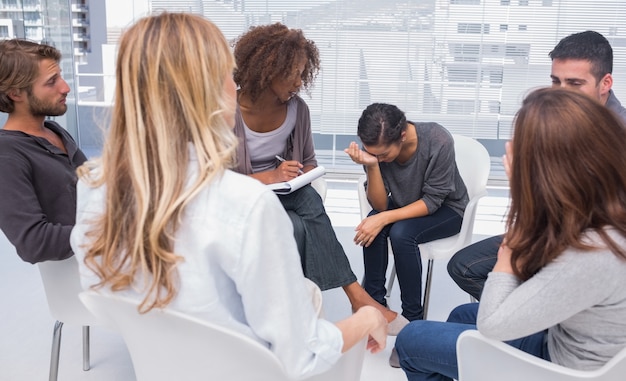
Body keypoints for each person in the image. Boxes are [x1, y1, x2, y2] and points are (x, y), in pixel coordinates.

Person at [69, 12, 386, 380]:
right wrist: (367, 318)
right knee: (324, 306)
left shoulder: (94, 186)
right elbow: (302, 356)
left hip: (162, 369)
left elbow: (105, 304)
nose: (234, 84)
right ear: (206, 90)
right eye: (227, 72)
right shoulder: (246, 207)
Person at [396, 87, 626, 381]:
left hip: (558, 367)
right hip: (570, 337)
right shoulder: (606, 208)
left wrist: (509, 249)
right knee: (460, 316)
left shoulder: (591, 253)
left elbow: (493, 323)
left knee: (411, 339)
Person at [231, 22, 405, 332]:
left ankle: (306, 309)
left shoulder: (298, 110)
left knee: (307, 198)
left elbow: (308, 161)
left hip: (284, 192)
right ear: (269, 70)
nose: (300, 81)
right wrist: (268, 176)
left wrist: (302, 173)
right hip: (240, 195)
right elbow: (212, 178)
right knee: (299, 224)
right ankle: (354, 297)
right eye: (294, 74)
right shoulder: (226, 110)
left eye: (303, 73)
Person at [447, 30, 626, 301]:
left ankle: (533, 320)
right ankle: (527, 323)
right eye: (556, 81)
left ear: (605, 83)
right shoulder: (559, 123)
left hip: (588, 250)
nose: (561, 93)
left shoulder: (617, 137)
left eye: (575, 83)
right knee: (463, 267)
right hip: (549, 230)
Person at [345, 103, 468, 366]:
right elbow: (379, 205)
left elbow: (434, 201)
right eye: (372, 153)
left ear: (401, 136)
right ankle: (373, 309)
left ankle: (413, 327)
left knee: (400, 233)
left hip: (447, 209)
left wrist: (385, 217)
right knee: (374, 227)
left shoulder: (437, 140)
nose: (379, 158)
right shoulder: (379, 152)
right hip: (406, 205)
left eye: (383, 155)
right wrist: (372, 167)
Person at [0, 39, 86, 264]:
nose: (65, 87)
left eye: (61, 76)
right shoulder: (6, 154)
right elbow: (33, 243)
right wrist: (113, 234)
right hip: (75, 274)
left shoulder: (53, 130)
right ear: (15, 94)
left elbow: (90, 185)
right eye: (51, 82)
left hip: (104, 261)